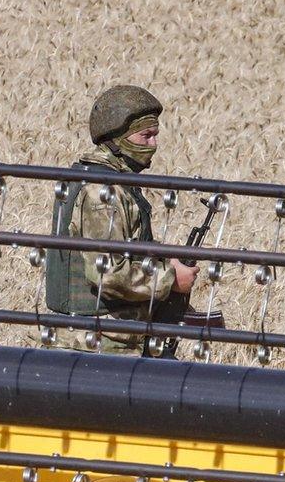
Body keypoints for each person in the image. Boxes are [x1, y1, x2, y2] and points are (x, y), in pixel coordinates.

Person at [45, 85, 200, 355]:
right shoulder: (102, 192)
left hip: (104, 341)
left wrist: (164, 259)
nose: (154, 144)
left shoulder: (108, 182)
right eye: (145, 136)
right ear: (117, 138)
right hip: (98, 346)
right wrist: (171, 279)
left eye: (155, 135)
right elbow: (107, 273)